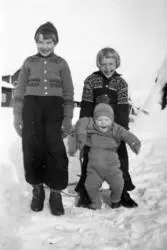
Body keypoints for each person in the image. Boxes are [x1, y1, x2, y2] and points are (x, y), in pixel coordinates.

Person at [13, 22, 74, 216]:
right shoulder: (29, 62)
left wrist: (67, 118)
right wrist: (17, 117)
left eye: (48, 42)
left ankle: (56, 192)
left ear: (55, 42)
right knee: (32, 147)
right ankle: (37, 189)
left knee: (55, 148)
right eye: (41, 42)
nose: (44, 46)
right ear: (36, 43)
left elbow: (69, 93)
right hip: (31, 109)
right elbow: (19, 91)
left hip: (54, 110)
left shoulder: (62, 64)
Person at [75, 47, 138, 208]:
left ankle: (122, 192)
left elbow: (123, 109)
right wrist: (85, 129)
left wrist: (120, 132)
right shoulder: (91, 80)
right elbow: (86, 106)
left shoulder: (121, 83)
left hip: (114, 127)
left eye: (111, 64)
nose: (107, 68)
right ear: (98, 64)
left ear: (116, 63)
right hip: (94, 126)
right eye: (103, 64)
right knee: (89, 158)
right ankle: (85, 193)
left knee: (120, 159)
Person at [75, 103, 141, 209]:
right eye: (99, 120)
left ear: (112, 120)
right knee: (90, 185)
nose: (103, 123)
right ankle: (96, 202)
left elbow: (126, 134)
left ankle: (116, 200)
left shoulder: (115, 129)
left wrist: (134, 143)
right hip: (94, 169)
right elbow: (81, 123)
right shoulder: (91, 126)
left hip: (112, 167)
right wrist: (81, 137)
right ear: (94, 120)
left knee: (118, 184)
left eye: (106, 120)